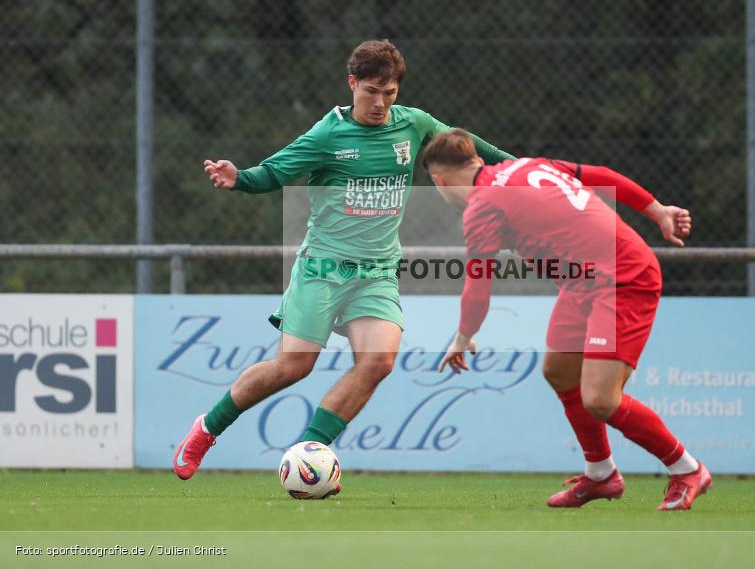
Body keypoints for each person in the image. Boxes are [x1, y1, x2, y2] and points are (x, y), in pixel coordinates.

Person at [173, 40, 513, 482]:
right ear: (352, 83)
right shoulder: (328, 135)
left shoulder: (415, 124)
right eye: (371, 91)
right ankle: (206, 429)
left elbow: (469, 150)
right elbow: (273, 172)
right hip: (323, 268)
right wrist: (240, 178)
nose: (380, 102)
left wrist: (523, 171)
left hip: (376, 273)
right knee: (293, 367)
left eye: (389, 93)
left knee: (379, 361)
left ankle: (307, 455)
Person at [422, 128, 711, 511]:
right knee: (559, 371)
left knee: (600, 399)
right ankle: (601, 474)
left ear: (439, 181)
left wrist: (463, 337)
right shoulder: (528, 165)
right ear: (476, 159)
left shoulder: (482, 206)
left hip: (621, 278)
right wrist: (657, 210)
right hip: (583, 283)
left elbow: (478, 284)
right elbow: (603, 175)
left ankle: (687, 469)